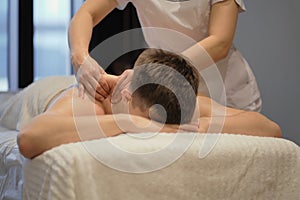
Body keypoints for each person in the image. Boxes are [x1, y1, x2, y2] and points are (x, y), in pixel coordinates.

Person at [17, 49, 281, 159]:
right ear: (126, 92)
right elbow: (29, 138)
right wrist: (126, 121)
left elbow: (271, 129)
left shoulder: (181, 101)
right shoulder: (89, 99)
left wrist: (205, 127)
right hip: (44, 90)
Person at [69, 0, 262, 111]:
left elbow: (220, 43)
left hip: (224, 90)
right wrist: (80, 58)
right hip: (165, 89)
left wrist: (152, 73)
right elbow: (86, 13)